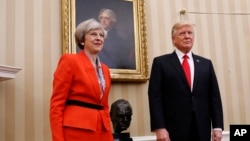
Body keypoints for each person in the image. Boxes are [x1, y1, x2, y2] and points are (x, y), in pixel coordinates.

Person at [148, 21, 224, 141]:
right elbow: (155, 97)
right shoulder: (161, 63)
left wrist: (218, 126)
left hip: (202, 127)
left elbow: (214, 97)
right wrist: (159, 127)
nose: (187, 36)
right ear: (173, 39)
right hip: (172, 129)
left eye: (190, 33)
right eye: (182, 33)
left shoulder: (206, 64)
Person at [49, 18, 113, 141]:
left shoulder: (105, 69)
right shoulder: (70, 61)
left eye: (101, 35)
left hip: (102, 132)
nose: (98, 38)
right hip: (76, 132)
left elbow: (105, 107)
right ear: (82, 40)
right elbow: (56, 105)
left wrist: (108, 134)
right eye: (93, 34)